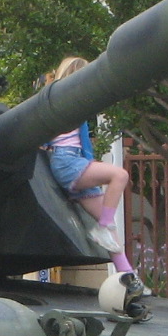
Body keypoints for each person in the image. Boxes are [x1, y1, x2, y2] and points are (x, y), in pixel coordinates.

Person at [40, 56, 140, 291]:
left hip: (76, 160)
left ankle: (130, 281)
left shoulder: (72, 103)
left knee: (112, 235)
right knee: (120, 176)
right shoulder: (59, 100)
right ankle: (103, 227)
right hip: (67, 160)